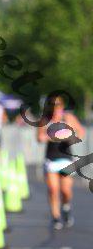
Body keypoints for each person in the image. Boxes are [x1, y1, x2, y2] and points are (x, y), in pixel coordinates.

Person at [37, 94, 85, 230]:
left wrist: (71, 135)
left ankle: (66, 207)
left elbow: (81, 132)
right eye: (53, 105)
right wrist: (52, 137)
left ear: (62, 106)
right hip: (51, 159)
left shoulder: (68, 118)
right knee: (53, 189)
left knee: (66, 191)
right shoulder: (45, 120)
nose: (55, 108)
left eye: (58, 105)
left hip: (66, 159)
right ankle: (56, 217)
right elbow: (39, 138)